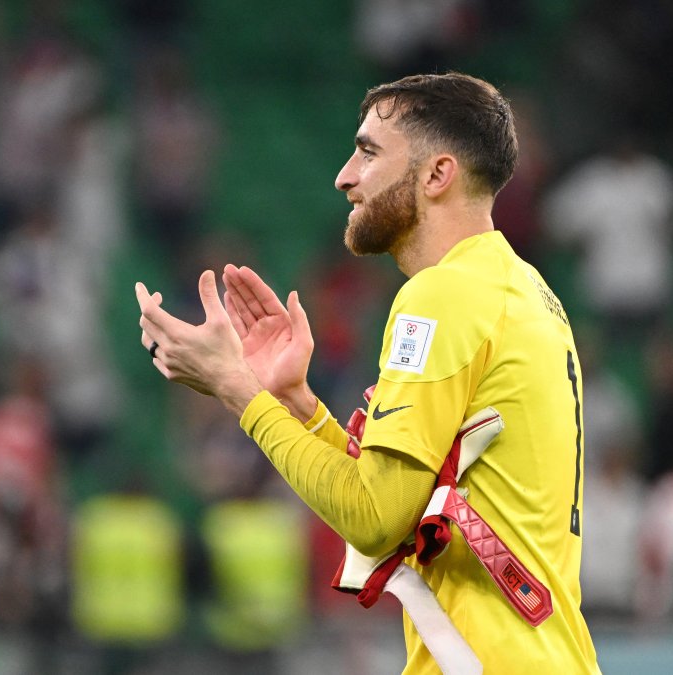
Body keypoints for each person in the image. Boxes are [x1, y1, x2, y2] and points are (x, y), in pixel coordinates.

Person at [135, 72, 599, 673]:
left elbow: (376, 520)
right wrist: (295, 402)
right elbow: (399, 501)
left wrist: (239, 393)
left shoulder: (443, 295)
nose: (345, 176)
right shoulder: (525, 291)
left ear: (437, 174)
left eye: (369, 152)